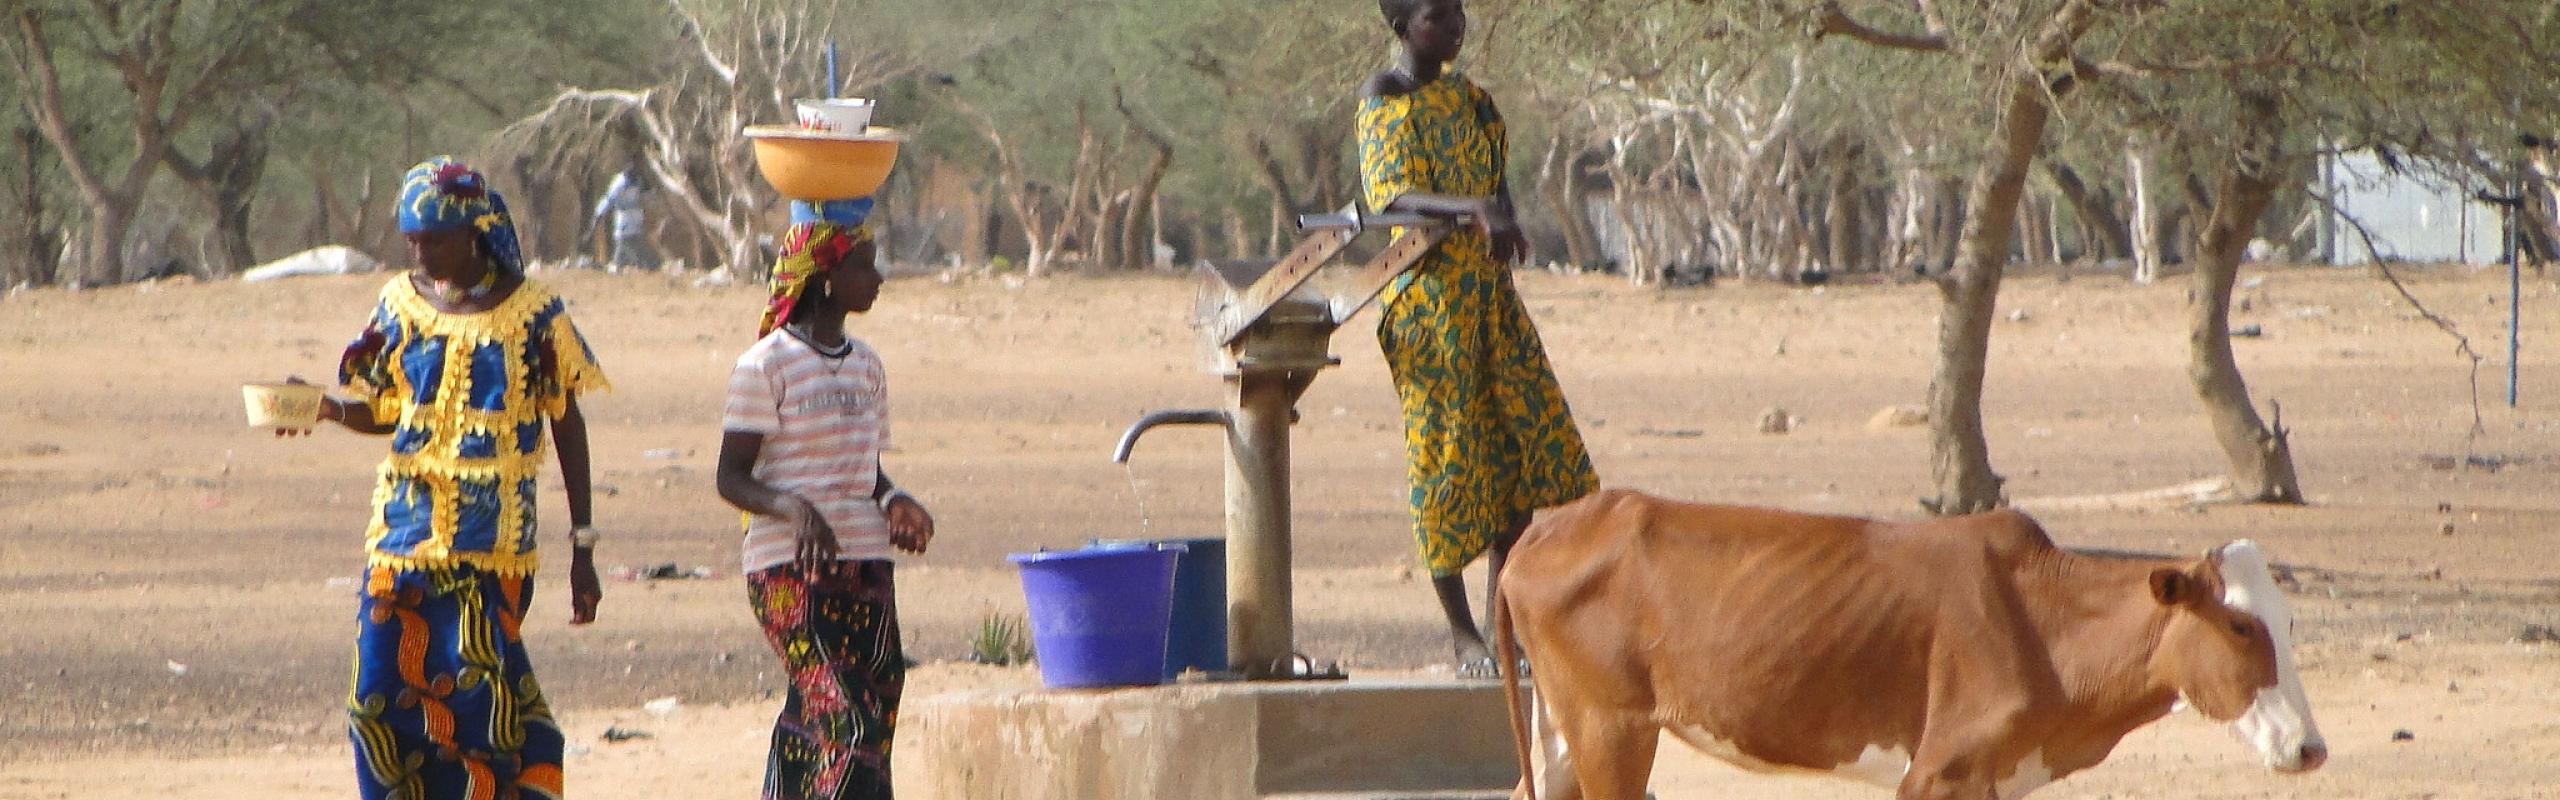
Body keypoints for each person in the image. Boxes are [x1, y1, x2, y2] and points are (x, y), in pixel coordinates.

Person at [294, 156, 609, 799]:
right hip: (402, 535)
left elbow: (566, 425)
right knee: (375, 699)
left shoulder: (535, 315)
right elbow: (385, 411)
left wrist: (583, 547)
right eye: (413, 239)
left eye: (435, 239)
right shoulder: (400, 306)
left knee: (480, 713)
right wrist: (325, 409)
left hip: (492, 545)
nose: (421, 251)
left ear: (473, 236)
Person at [1357, 0, 1599, 678]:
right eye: (1438, 16)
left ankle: (1506, 627)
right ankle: (1463, 634)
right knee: (1446, 460)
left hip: (1490, 300)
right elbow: (1390, 196)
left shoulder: (1472, 100)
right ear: (1404, 26)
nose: (1456, 26)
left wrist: (1504, 215)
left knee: (1518, 455)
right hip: (1430, 305)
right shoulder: (1387, 95)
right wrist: (1473, 210)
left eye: (1459, 13)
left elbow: (1494, 182)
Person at [716, 197, 936, 800]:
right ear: (827, 279)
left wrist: (895, 500)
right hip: (790, 569)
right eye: (866, 264)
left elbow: (866, 470)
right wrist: (795, 510)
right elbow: (731, 478)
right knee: (846, 715)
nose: (880, 277)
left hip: (865, 563)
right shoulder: (765, 365)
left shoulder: (866, 366)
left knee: (863, 704)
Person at [590, 166, 659, 271]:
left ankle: (619, 266)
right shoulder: (619, 184)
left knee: (629, 247)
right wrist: (599, 214)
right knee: (627, 245)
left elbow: (646, 194)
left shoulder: (637, 180)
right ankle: (620, 266)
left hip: (636, 220)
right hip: (625, 222)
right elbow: (609, 199)